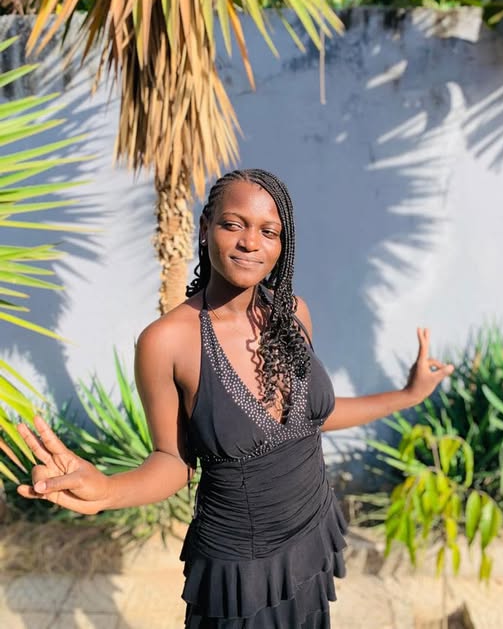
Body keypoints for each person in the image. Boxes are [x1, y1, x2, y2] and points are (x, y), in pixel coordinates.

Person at [17, 168, 454, 628]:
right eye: (233, 224)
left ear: (283, 244)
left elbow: (308, 421)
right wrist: (106, 490)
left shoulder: (293, 314)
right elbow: (173, 460)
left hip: (311, 539)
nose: (250, 242)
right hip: (240, 572)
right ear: (205, 228)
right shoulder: (168, 341)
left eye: (269, 231)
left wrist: (407, 395)